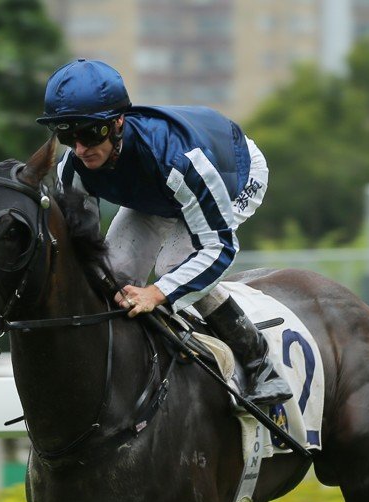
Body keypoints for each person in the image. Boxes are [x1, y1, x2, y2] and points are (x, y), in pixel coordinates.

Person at [37, 58, 291, 408]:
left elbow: (218, 247)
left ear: (117, 123)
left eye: (90, 133)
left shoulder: (177, 159)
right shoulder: (73, 170)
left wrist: (156, 293)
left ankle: (260, 362)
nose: (80, 148)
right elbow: (85, 254)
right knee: (113, 274)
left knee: (174, 266)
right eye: (67, 135)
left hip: (232, 173)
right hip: (157, 192)